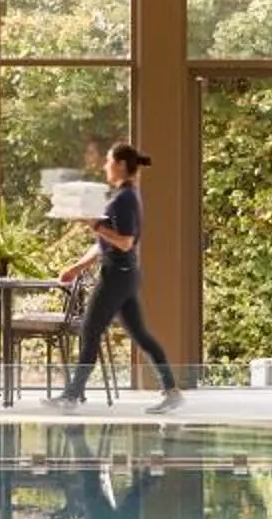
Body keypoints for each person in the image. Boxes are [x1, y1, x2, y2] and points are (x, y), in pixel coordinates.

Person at [50, 142, 182, 413]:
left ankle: (71, 396)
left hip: (118, 274)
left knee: (90, 330)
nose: (105, 166)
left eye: (109, 161)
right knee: (140, 335)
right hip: (124, 273)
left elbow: (125, 242)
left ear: (121, 165)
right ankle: (172, 391)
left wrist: (95, 224)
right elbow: (104, 243)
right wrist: (77, 267)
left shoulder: (125, 199)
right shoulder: (123, 196)